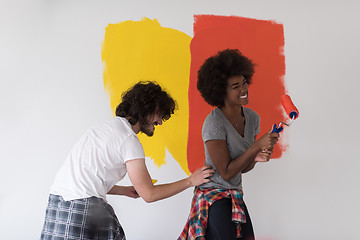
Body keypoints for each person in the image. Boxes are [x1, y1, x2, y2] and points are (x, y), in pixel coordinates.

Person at [40, 81, 215, 240]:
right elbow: (149, 194)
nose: (160, 121)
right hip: (82, 211)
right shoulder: (128, 140)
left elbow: (88, 180)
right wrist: (191, 180)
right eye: (159, 114)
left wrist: (124, 191)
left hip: (57, 205)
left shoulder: (101, 129)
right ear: (145, 108)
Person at [178, 49, 280, 240]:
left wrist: (257, 157)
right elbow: (225, 172)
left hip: (235, 193)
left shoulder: (252, 118)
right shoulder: (214, 123)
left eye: (244, 83)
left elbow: (243, 167)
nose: (244, 89)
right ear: (220, 91)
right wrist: (256, 146)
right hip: (213, 196)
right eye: (235, 86)